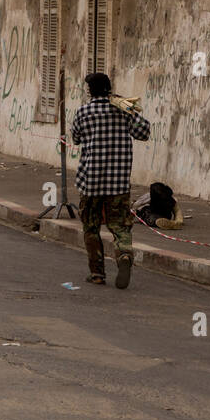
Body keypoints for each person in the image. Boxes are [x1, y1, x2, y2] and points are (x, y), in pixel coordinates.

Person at [71, 72, 151, 288]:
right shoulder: (123, 110)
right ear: (109, 88)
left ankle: (97, 273)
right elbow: (144, 133)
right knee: (121, 226)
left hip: (91, 182)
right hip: (118, 183)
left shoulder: (84, 111)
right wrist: (128, 108)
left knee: (91, 227)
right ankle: (124, 255)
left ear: (90, 90)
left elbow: (75, 138)